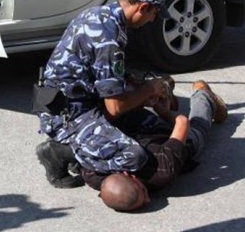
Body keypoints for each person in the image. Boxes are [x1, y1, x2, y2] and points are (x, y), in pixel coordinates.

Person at [34, 0, 174, 189]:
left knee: (156, 128)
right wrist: (148, 89)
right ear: (143, 7)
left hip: (85, 101)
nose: (153, 20)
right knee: (134, 156)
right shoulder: (108, 39)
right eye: (154, 13)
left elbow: (98, 69)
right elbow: (115, 107)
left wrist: (131, 82)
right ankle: (59, 152)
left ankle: (93, 146)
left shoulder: (102, 15)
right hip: (68, 116)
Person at [86, 80, 228, 212]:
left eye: (143, 191)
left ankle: (203, 94)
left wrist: (165, 114)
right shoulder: (92, 173)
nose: (148, 199)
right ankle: (162, 87)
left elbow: (183, 122)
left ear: (128, 175)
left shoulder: (161, 170)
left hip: (148, 125)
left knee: (198, 129)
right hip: (139, 122)